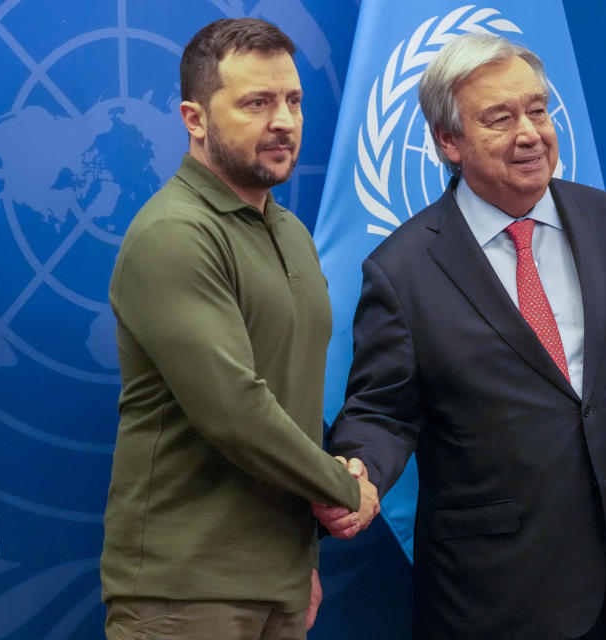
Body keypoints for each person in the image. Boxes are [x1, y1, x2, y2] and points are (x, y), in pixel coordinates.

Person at [317, 33, 606, 639]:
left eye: (538, 109)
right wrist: (358, 469)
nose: (530, 133)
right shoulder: (403, 271)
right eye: (500, 118)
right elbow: (383, 412)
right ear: (449, 141)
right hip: (496, 594)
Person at [100, 17, 379, 640]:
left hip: (278, 583)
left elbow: (294, 402)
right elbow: (236, 411)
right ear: (194, 119)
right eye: (257, 102)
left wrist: (297, 563)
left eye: (293, 101)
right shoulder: (175, 233)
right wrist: (343, 486)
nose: (283, 120)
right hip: (185, 595)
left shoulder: (291, 234)